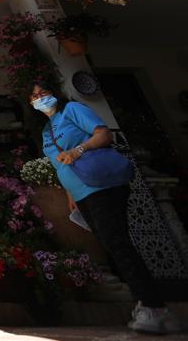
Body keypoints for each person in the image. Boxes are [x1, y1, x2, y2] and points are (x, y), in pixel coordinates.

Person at [28, 83, 181, 335]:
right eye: (33, 96)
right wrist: (69, 194)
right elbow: (59, 165)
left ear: (55, 92)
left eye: (43, 92)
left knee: (118, 243)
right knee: (113, 246)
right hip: (81, 193)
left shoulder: (73, 110)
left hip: (102, 184)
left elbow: (103, 134)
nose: (39, 97)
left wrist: (78, 150)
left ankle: (154, 307)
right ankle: (152, 306)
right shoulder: (46, 129)